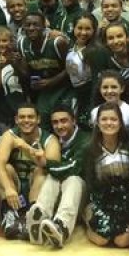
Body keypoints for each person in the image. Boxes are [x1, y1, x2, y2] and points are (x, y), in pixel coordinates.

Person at [25, 105, 90, 248]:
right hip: (61, 197)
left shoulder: (86, 140)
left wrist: (46, 163)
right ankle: (41, 215)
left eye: (64, 121)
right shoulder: (53, 140)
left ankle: (62, 227)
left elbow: (73, 168)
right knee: (52, 177)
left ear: (74, 121)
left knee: (73, 178)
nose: (59, 126)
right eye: (55, 122)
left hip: (81, 196)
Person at [84, 102, 129, 248]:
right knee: (102, 240)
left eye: (113, 119)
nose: (109, 123)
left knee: (122, 241)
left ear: (120, 123)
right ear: (97, 123)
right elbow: (90, 183)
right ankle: (87, 222)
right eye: (104, 119)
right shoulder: (90, 148)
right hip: (101, 201)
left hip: (127, 202)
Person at [0, 104, 48, 239]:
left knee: (41, 171)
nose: (26, 120)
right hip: (15, 188)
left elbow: (52, 167)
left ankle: (33, 217)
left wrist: (26, 148)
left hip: (35, 187)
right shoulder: (10, 135)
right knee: (6, 168)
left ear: (38, 119)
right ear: (16, 120)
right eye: (22, 117)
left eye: (30, 117)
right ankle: (10, 216)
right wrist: (8, 189)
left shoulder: (49, 138)